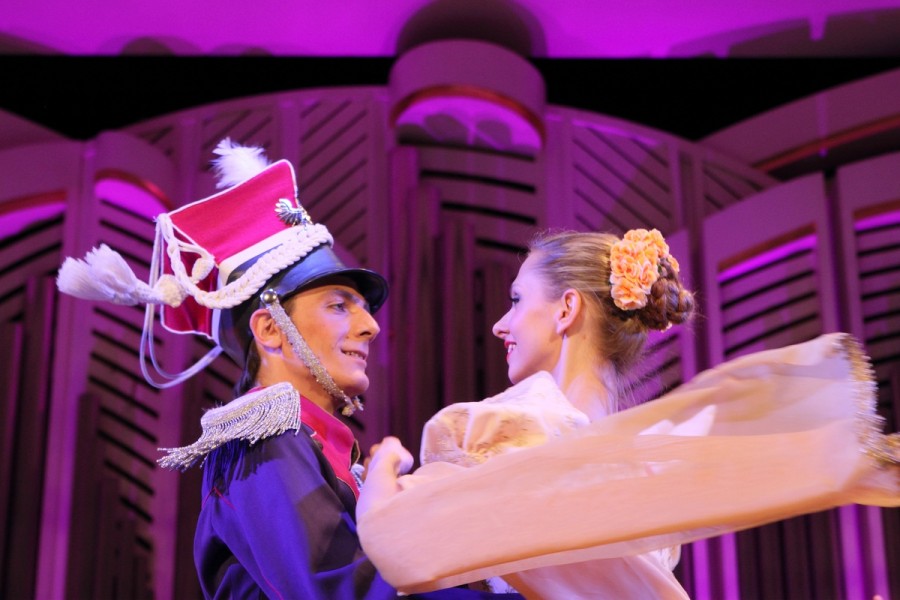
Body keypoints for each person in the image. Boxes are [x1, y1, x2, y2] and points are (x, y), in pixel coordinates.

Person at [57, 140, 523, 599]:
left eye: (363, 309)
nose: (371, 326)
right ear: (270, 329)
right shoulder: (264, 438)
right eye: (339, 306)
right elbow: (339, 590)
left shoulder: (312, 442)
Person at [357, 230, 900, 597]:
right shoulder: (645, 470)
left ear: (566, 309)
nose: (501, 324)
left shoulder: (509, 428)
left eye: (517, 300)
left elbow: (399, 544)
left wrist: (384, 465)